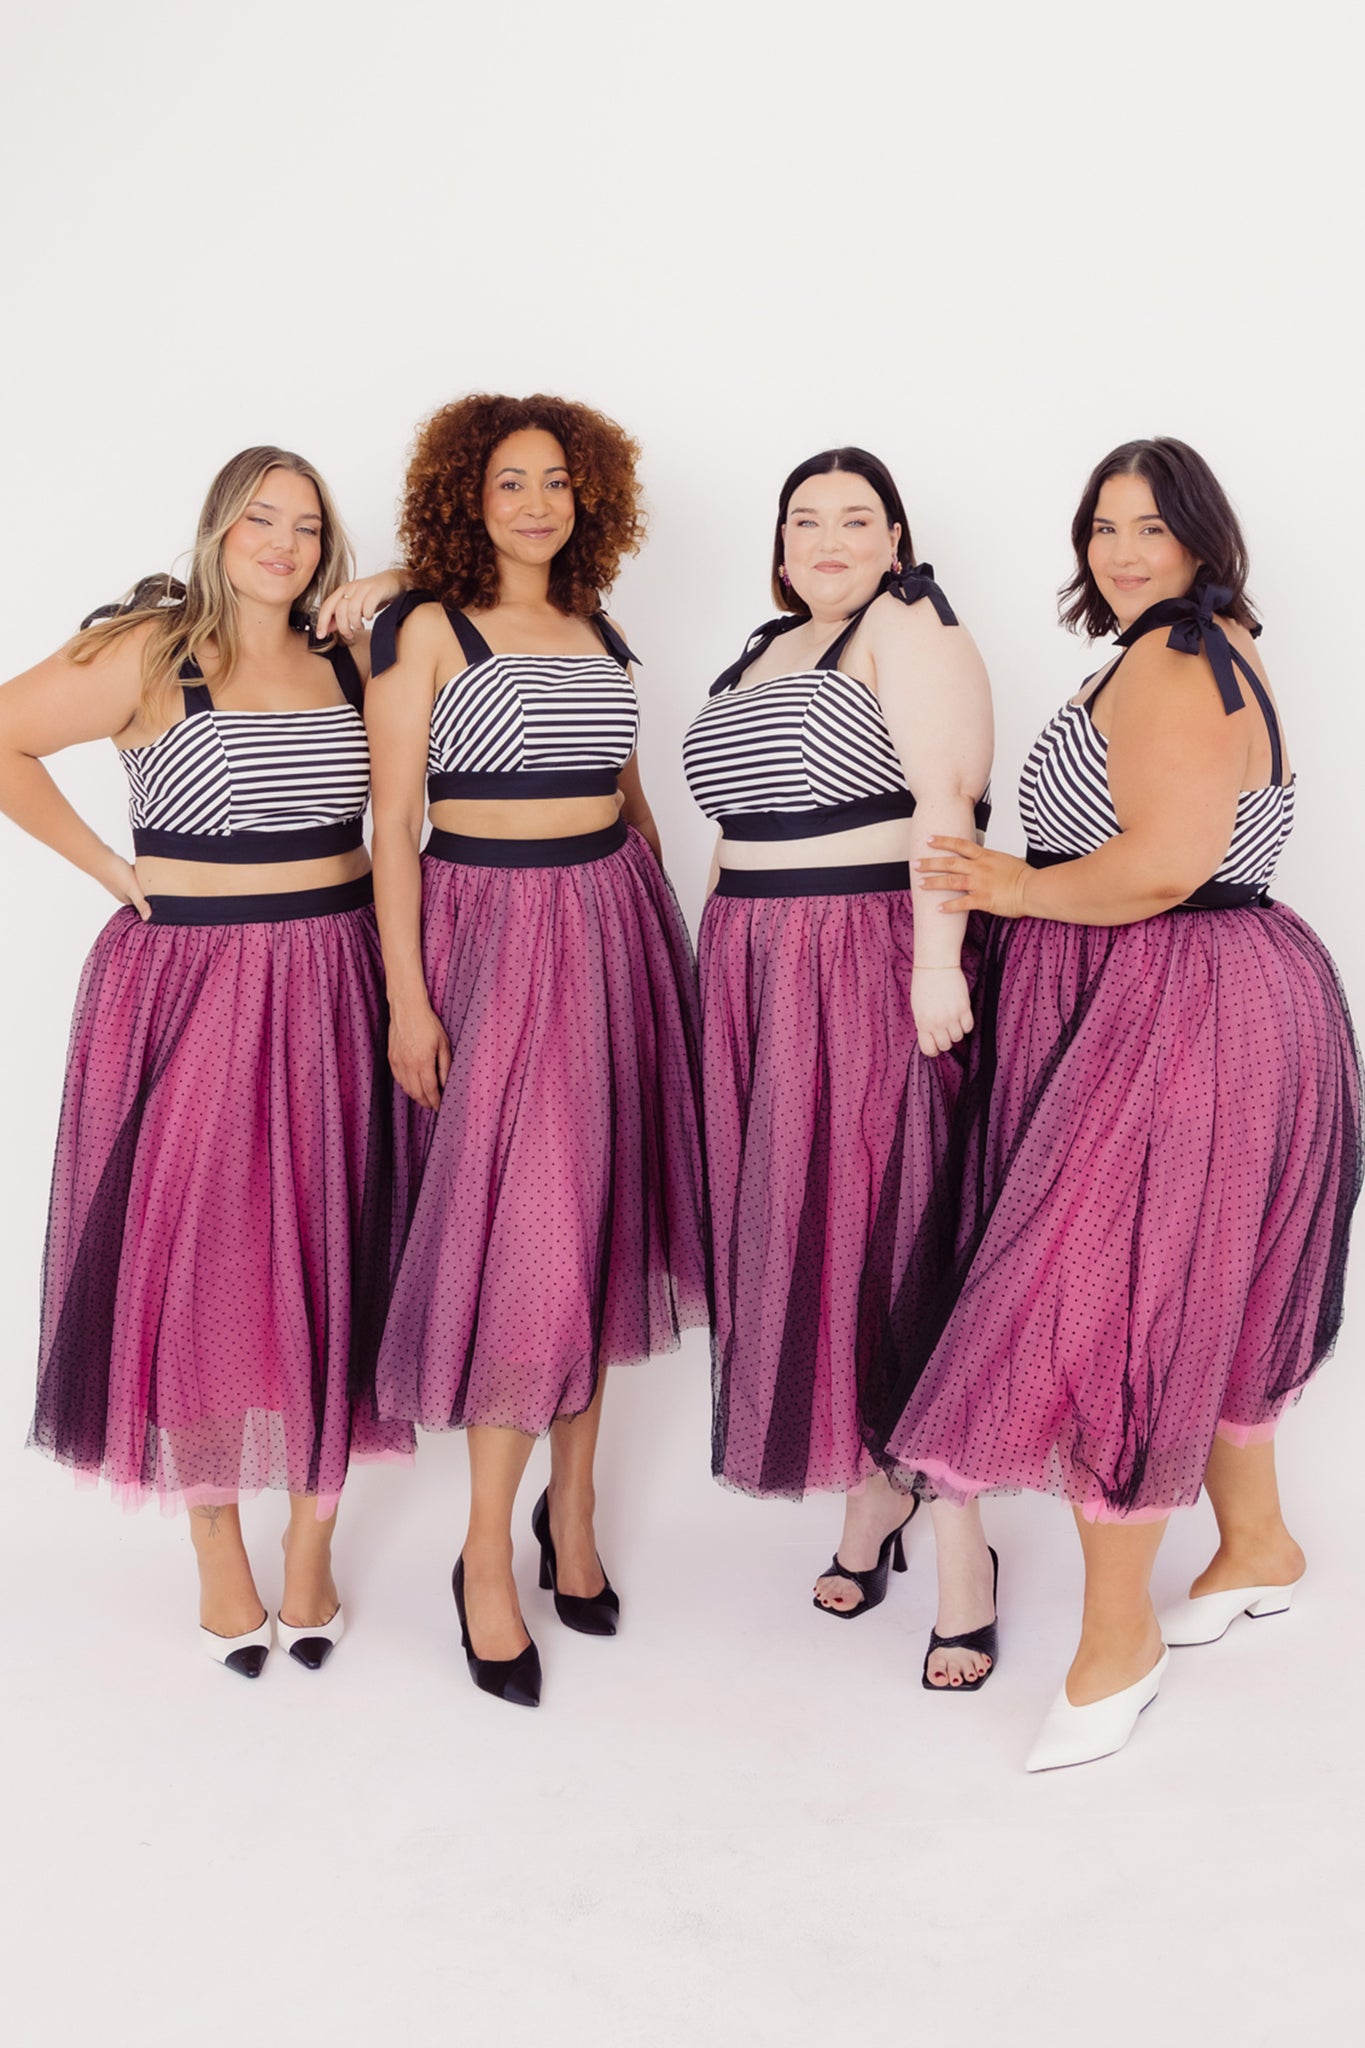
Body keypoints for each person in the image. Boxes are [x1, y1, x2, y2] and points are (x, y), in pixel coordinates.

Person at [893, 437, 1360, 1765]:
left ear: (1203, 538)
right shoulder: (1181, 646)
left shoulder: (1177, 660)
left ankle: (1119, 1636)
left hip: (1180, 1004)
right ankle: (1258, 1544)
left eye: (1151, 526)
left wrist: (1008, 885)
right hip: (1194, 996)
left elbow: (1160, 865)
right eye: (1103, 527)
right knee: (1197, 1285)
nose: (1122, 549)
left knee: (1113, 1307)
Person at [1, 446, 413, 1677]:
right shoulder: (150, 647)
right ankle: (217, 1539)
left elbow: (478, 575)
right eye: (257, 519)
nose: (281, 542)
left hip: (340, 981)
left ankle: (312, 1535)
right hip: (196, 990)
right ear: (217, 529)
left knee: (343, 1238)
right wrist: (115, 871)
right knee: (204, 1261)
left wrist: (390, 572)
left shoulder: (355, 649)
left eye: (305, 523)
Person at [352, 391, 708, 1708]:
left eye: (557, 481)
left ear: (588, 497)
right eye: (510, 482)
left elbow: (633, 799)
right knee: (531, 1239)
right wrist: (407, 995)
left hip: (612, 930)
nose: (538, 503)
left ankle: (574, 1521)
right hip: (490, 942)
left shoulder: (598, 626)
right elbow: (394, 824)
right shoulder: (419, 627)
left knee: (601, 1224)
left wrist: (670, 950)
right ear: (468, 495)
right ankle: (483, 1556)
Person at [683, 447, 1000, 1689]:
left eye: (855, 519)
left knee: (893, 1231)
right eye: (803, 519)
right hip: (758, 969)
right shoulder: (760, 652)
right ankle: (875, 1501)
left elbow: (946, 794)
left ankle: (962, 1545)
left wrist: (936, 963)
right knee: (804, 1236)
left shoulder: (907, 622)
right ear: (778, 546)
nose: (827, 537)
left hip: (864, 954)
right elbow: (733, 831)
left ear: (895, 539)